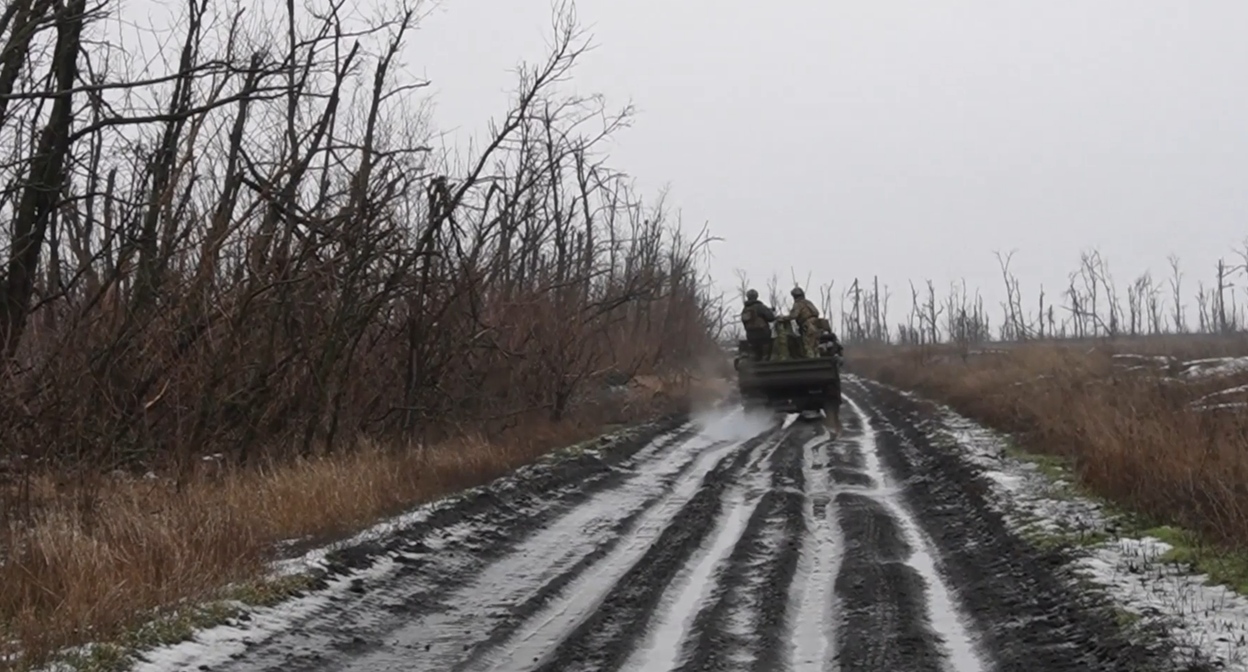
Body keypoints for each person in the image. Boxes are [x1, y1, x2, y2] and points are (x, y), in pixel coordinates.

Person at [740, 289, 776, 361]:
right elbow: (771, 318)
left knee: (754, 353)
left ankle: (753, 368)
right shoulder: (760, 307)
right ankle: (765, 365)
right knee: (765, 352)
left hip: (750, 334)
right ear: (756, 296)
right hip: (763, 333)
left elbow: (744, 322)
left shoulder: (745, 309)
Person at [787, 286, 821, 358]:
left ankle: (812, 364)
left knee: (808, 346)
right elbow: (817, 312)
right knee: (815, 346)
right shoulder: (808, 302)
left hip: (808, 325)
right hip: (817, 324)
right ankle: (818, 361)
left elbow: (793, 315)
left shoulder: (798, 304)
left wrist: (783, 318)